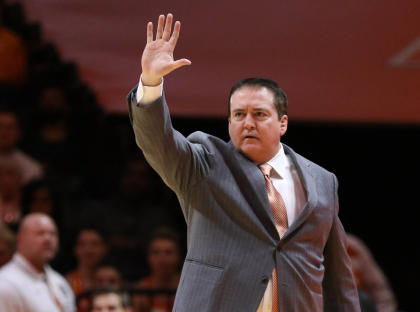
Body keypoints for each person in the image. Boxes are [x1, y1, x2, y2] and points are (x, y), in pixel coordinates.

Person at [127, 13, 360, 311]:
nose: (248, 123)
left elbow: (339, 277)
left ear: (283, 123)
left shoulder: (322, 181)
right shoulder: (205, 163)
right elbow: (158, 143)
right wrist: (151, 82)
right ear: (228, 122)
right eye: (239, 115)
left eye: (259, 114)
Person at [0, 212, 75, 311]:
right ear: (20, 239)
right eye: (40, 233)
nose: (48, 239)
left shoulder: (59, 281)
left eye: (53, 234)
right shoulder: (5, 283)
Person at [132, 228, 181, 312]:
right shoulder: (140, 290)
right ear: (148, 257)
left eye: (168, 252)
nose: (162, 259)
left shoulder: (187, 288)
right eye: (155, 252)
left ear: (179, 257)